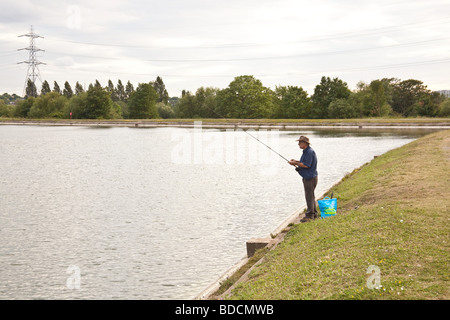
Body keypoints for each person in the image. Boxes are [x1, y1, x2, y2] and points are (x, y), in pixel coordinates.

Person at [288, 135, 318, 222]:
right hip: (309, 177)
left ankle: (310, 216)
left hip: (310, 178)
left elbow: (306, 165)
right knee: (311, 196)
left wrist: (295, 163)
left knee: (309, 197)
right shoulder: (306, 151)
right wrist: (296, 162)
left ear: (305, 143)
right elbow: (303, 163)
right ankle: (314, 214)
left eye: (300, 142)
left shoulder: (309, 152)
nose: (298, 144)